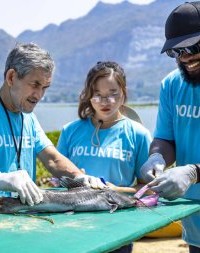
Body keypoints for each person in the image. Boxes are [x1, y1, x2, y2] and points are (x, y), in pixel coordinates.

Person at [0, 43, 106, 207]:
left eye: (45, 87)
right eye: (35, 85)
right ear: (11, 77)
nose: (39, 95)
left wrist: (79, 177)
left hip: (21, 217)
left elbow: (52, 159)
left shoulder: (28, 117)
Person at [57, 61, 151, 253]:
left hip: (118, 226)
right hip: (73, 225)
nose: (104, 101)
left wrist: (118, 190)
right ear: (89, 96)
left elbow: (147, 188)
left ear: (123, 92)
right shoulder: (70, 131)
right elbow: (58, 178)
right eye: (97, 95)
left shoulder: (139, 134)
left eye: (112, 93)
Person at [139, 1, 200, 252]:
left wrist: (194, 173)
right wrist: (157, 156)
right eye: (176, 52)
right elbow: (166, 139)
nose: (186, 57)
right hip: (198, 225)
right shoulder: (172, 85)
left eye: (192, 47)